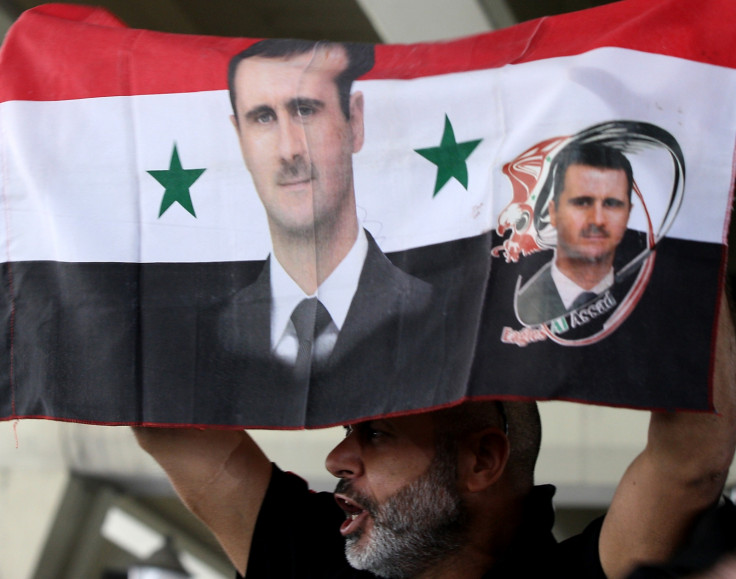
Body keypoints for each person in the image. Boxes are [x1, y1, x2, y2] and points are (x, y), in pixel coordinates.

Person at [135, 288, 736, 578]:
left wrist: (679, 235)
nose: (339, 455)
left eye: (378, 432)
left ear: (482, 459)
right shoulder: (316, 559)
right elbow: (165, 419)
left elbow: (692, 461)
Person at [193, 39, 446, 426]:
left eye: (305, 111)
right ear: (240, 140)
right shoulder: (205, 338)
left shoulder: (440, 317)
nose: (289, 150)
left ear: (355, 123)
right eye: (263, 118)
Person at [515, 142, 636, 326]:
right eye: (582, 202)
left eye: (612, 204)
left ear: (628, 213)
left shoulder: (648, 299)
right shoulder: (519, 310)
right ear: (554, 213)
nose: (597, 220)